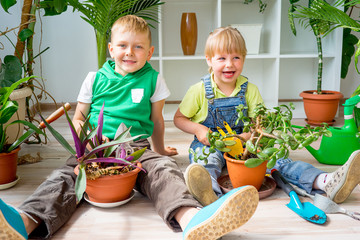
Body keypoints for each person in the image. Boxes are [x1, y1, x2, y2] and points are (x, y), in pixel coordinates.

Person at [0, 16, 259, 240]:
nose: (129, 52)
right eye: (122, 46)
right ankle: (24, 222)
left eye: (138, 47)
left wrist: (160, 151)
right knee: (65, 177)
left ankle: (192, 219)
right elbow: (79, 117)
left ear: (149, 52)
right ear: (111, 49)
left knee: (164, 170)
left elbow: (157, 121)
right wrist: (84, 141)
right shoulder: (95, 79)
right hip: (95, 147)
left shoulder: (153, 79)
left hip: (135, 148)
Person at [173, 26, 360, 207]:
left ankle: (325, 180)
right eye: (222, 58)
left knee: (275, 161)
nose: (229, 64)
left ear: (244, 59)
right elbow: (179, 118)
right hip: (210, 143)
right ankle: (210, 195)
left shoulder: (250, 90)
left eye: (236, 57)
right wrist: (199, 129)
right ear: (209, 60)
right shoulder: (198, 91)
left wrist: (249, 137)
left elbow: (259, 124)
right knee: (206, 162)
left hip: (246, 143)